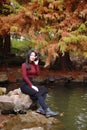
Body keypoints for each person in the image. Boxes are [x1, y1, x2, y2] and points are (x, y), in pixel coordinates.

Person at [20, 50, 59, 118]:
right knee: (37, 92)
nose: (33, 57)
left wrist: (36, 65)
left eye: (34, 55)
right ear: (28, 55)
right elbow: (24, 77)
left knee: (44, 89)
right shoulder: (24, 65)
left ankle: (41, 108)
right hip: (25, 85)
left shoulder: (33, 64)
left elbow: (37, 74)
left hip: (31, 82)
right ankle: (47, 110)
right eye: (31, 55)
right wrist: (32, 86)